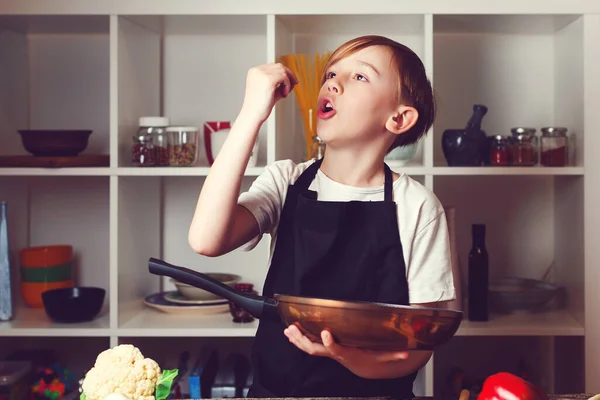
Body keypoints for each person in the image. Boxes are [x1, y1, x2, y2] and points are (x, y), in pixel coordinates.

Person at [188, 35, 456, 399]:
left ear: (399, 118)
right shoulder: (286, 181)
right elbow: (206, 239)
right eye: (331, 73)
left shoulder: (418, 206)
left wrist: (349, 358)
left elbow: (418, 345)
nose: (333, 82)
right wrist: (252, 111)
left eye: (359, 76)